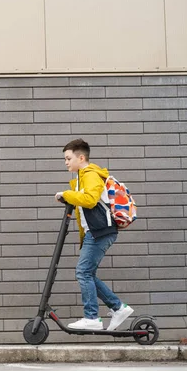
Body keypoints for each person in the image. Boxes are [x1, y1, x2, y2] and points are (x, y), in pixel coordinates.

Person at [54, 138, 134, 331]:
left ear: (81, 157)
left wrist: (66, 194)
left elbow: (89, 200)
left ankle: (92, 317)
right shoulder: (82, 176)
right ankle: (118, 308)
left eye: (68, 158)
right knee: (87, 273)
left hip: (100, 232)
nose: (66, 162)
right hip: (96, 232)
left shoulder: (90, 174)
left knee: (83, 272)